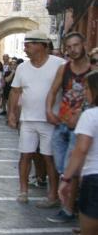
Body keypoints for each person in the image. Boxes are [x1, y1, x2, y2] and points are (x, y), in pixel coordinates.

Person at [8, 30, 65, 206]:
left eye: (29, 44)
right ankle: (23, 191)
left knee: (50, 158)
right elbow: (15, 91)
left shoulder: (60, 64)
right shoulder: (22, 67)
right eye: (25, 44)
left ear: (42, 45)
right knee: (25, 155)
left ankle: (52, 196)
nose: (25, 48)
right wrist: (12, 113)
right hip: (27, 119)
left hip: (50, 120)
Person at [59, 71, 98, 235]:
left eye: (87, 89)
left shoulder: (90, 116)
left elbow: (80, 150)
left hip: (94, 179)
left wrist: (66, 179)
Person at [45, 32, 91, 223]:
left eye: (76, 45)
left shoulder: (93, 70)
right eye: (69, 47)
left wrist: (80, 115)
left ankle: (68, 209)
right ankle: (72, 203)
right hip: (62, 124)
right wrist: (48, 110)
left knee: (71, 169)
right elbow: (53, 91)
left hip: (82, 128)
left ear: (84, 45)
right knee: (61, 166)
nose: (73, 50)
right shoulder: (64, 69)